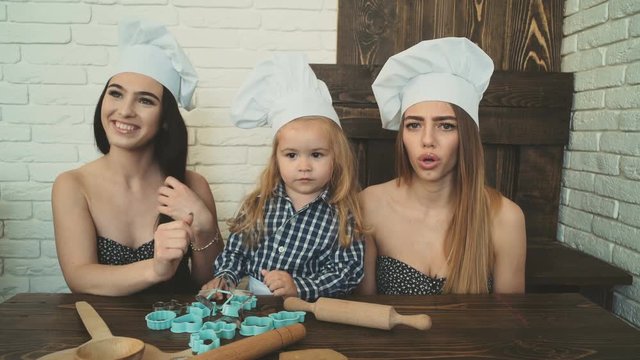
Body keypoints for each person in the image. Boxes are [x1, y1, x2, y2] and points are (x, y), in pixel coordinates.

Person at [51, 19, 223, 296]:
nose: (125, 110)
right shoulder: (72, 185)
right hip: (104, 336)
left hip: (176, 334)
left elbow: (207, 285)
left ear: (166, 119)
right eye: (116, 94)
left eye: (145, 100)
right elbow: (79, 276)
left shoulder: (193, 185)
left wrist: (204, 227)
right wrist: (155, 269)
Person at [358, 37, 526, 295]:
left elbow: (509, 320)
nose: (427, 140)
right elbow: (364, 310)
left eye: (446, 125)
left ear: (467, 136)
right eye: (414, 125)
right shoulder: (369, 205)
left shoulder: (505, 218)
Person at [202, 54, 366, 300]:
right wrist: (225, 277)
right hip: (255, 308)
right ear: (276, 159)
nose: (304, 166)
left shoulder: (343, 213)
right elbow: (237, 252)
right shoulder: (259, 204)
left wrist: (300, 286)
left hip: (312, 307)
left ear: (336, 157)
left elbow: (348, 271)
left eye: (317, 155)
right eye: (291, 155)